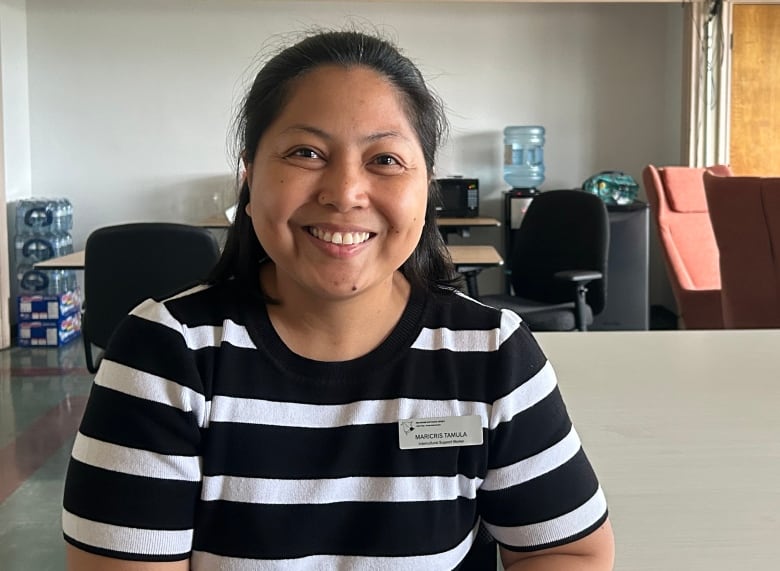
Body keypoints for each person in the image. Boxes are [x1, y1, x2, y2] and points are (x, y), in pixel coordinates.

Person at [62, 28, 614, 570]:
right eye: (305, 152)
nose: (345, 192)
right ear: (250, 179)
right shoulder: (164, 356)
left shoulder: (492, 354)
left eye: (386, 160)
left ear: (426, 188)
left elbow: (566, 549)